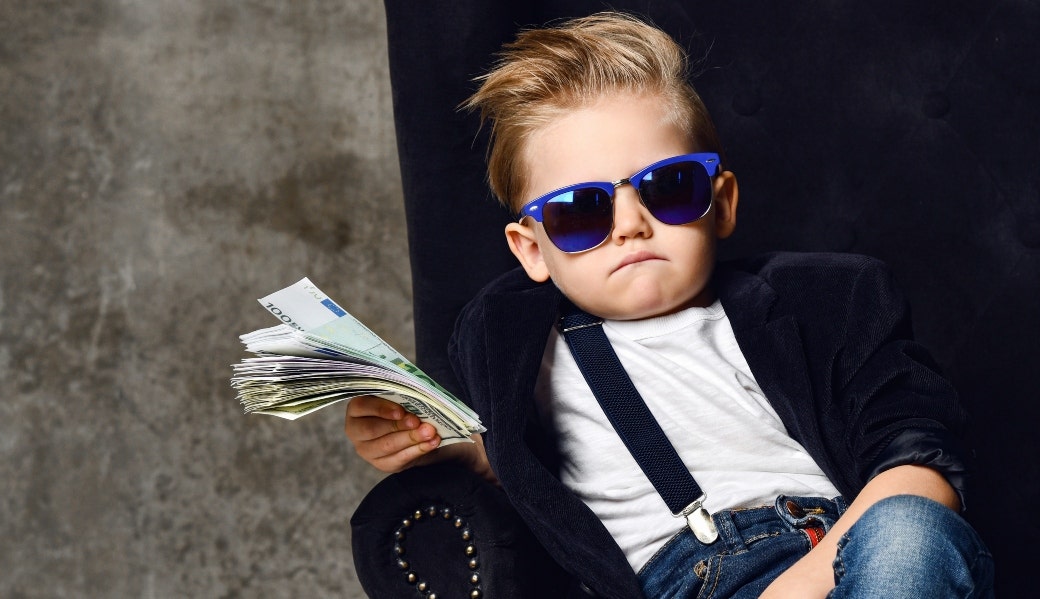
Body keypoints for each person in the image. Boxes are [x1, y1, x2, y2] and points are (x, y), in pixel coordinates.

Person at [346, 11, 993, 599]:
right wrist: (423, 441)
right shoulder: (510, 345)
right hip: (672, 584)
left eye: (670, 188)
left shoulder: (827, 300)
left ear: (721, 202)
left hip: (847, 562)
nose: (630, 224)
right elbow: (517, 464)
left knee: (910, 526)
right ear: (532, 249)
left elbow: (923, 467)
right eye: (580, 211)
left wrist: (800, 583)